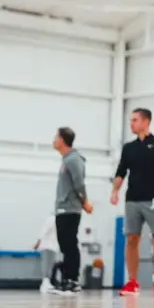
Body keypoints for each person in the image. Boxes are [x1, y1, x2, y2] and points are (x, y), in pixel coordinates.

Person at [110, 108, 154, 296]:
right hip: (132, 200)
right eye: (131, 120)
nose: (131, 123)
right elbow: (121, 171)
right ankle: (132, 281)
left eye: (135, 120)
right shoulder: (129, 148)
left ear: (146, 122)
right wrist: (115, 191)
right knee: (131, 239)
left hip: (153, 199)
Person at [52, 126, 93, 295]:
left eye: (56, 137)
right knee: (65, 244)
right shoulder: (66, 159)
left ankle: (72, 280)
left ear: (62, 140)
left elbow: (79, 183)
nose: (53, 140)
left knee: (70, 243)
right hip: (62, 208)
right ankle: (66, 279)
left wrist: (85, 201)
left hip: (70, 208)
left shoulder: (74, 159)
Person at [34, 214, 58, 294]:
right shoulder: (52, 219)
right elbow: (43, 231)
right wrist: (38, 242)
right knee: (46, 265)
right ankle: (44, 284)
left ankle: (47, 283)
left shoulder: (59, 220)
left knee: (50, 265)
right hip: (47, 245)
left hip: (53, 246)